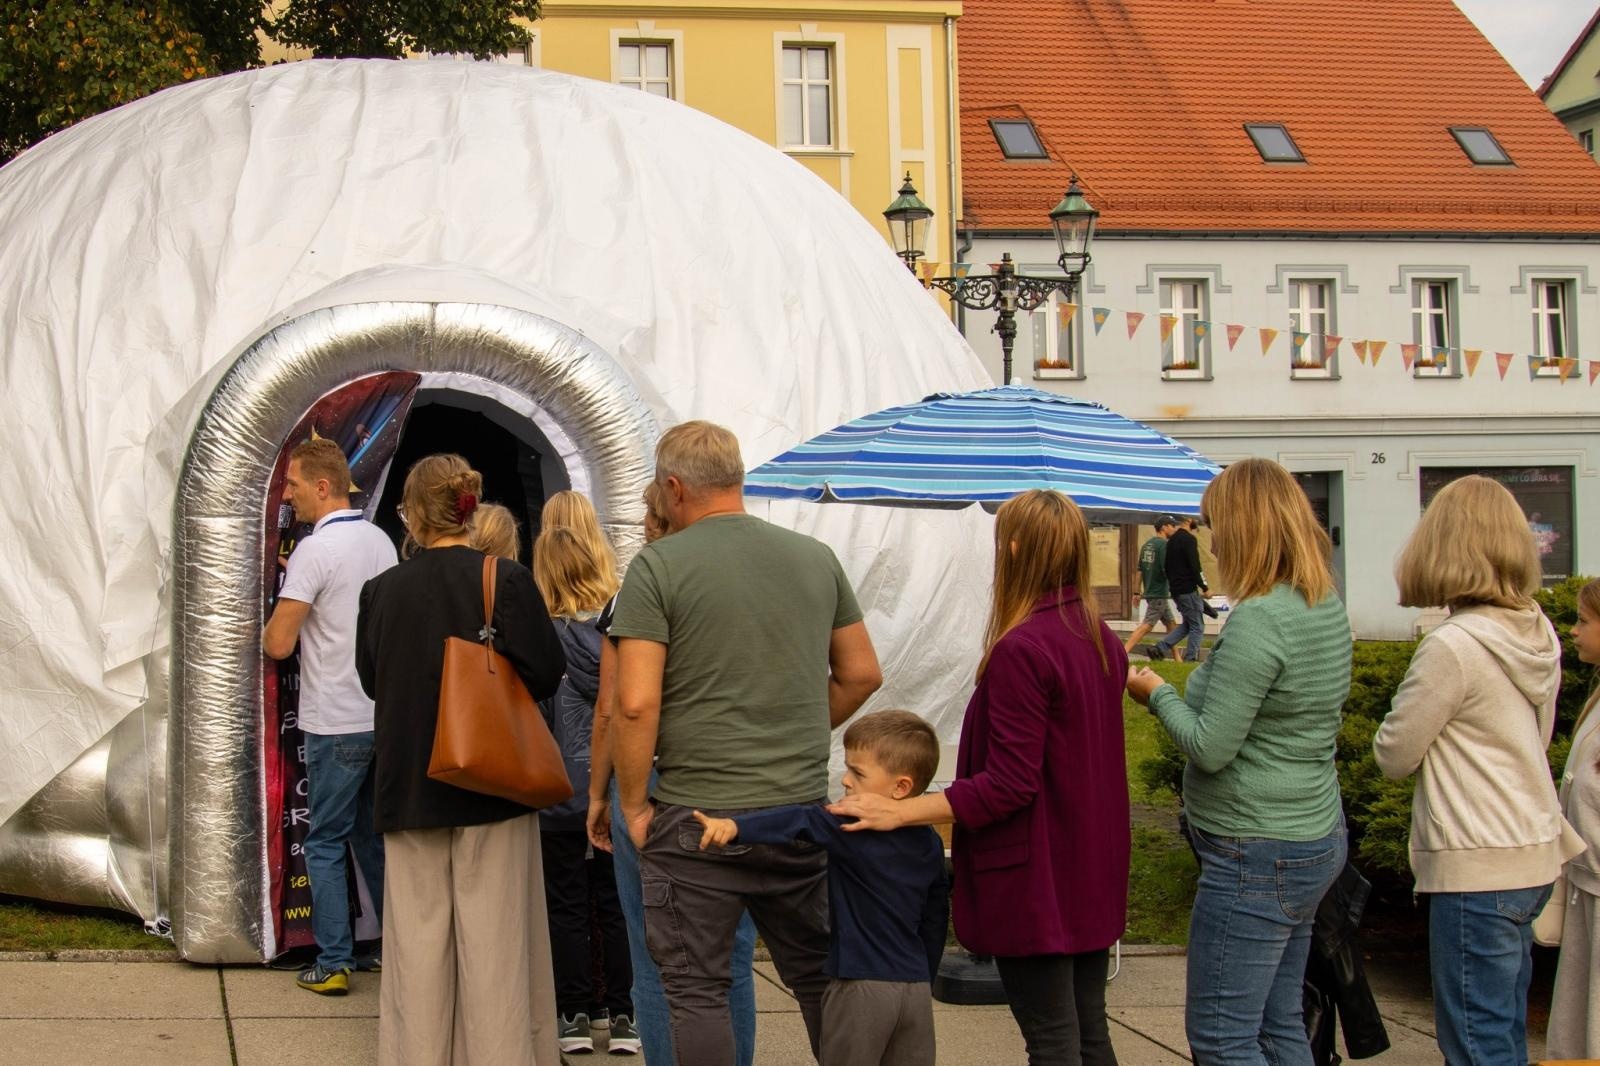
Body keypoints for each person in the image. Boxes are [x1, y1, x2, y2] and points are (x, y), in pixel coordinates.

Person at [610, 420, 883, 1065]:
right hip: (797, 812)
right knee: (820, 981)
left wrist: (632, 805)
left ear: (673, 487)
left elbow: (635, 701)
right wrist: (801, 727)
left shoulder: (658, 565)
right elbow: (863, 672)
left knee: (697, 991)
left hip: (695, 814)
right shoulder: (814, 557)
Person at [833, 488, 1130, 1065]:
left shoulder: (1026, 647)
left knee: (1054, 1042)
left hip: (1040, 876)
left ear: (1014, 547)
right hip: (1089, 865)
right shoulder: (1097, 637)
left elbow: (1010, 783)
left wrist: (899, 809)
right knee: (1088, 1035)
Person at [1127, 458, 1351, 1066]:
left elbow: (1210, 745)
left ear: (1246, 526)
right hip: (1310, 835)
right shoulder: (1321, 601)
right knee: (1281, 1024)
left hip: (1258, 849)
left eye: (1215, 522)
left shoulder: (1260, 620)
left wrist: (1158, 695)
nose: (1212, 538)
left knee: (1223, 1038)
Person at [356, 454, 566, 1066]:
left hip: (409, 782)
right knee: (497, 946)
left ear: (413, 515)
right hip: (493, 780)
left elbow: (372, 681)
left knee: (416, 949)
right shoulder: (505, 580)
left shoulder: (382, 591)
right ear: (468, 511)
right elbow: (548, 674)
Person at [1373, 475, 1582, 1066]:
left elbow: (1393, 754)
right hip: (1531, 850)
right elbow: (1534, 740)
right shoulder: (1537, 629)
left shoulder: (1452, 646)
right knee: (1502, 1027)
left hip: (1476, 863)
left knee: (1476, 1043)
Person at [588, 481, 761, 1066]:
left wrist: (603, 793)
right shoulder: (753, 584)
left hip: (663, 781)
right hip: (743, 781)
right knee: (732, 953)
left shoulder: (643, 586)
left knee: (657, 954)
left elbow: (617, 707)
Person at [692, 710, 948, 1066]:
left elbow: (801, 819)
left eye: (857, 773)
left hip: (859, 983)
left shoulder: (851, 827)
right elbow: (935, 916)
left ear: (900, 787)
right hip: (915, 989)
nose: (845, 781)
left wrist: (735, 826)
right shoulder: (930, 842)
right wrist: (923, 973)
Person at [262, 437, 397, 995]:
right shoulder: (381, 540)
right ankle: (402, 952)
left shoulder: (316, 552)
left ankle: (335, 960)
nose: (287, 497)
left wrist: (269, 617)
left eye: (293, 485)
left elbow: (278, 643)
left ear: (323, 487)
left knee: (323, 840)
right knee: (374, 839)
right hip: (379, 716)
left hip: (334, 719)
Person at [529, 491, 639, 1056]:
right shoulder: (617, 633)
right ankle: (622, 1014)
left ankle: (571, 1013)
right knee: (616, 902)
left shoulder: (538, 638)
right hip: (613, 786)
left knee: (565, 906)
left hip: (555, 792)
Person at [1549, 578, 1600, 1059]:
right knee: (1580, 1030)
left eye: (1584, 621)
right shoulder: (1596, 700)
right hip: (1587, 889)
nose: (1574, 631)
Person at [1150, 515, 1207, 662]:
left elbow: (1167, 567)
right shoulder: (1188, 540)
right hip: (1188, 589)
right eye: (1195, 518)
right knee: (1197, 626)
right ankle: (1190, 659)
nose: (1198, 521)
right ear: (1188, 520)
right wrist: (1204, 587)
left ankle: (1159, 648)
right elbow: (1195, 566)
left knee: (1189, 624)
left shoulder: (1171, 541)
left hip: (1176, 590)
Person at [1124, 515, 1178, 655]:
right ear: (1164, 527)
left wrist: (1136, 592)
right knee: (1146, 626)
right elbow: (1166, 569)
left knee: (1171, 625)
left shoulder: (1146, 545)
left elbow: (1140, 570)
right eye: (1172, 525)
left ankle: (1178, 658)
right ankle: (1123, 652)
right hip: (1159, 592)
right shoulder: (1164, 545)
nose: (1174, 528)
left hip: (1151, 591)